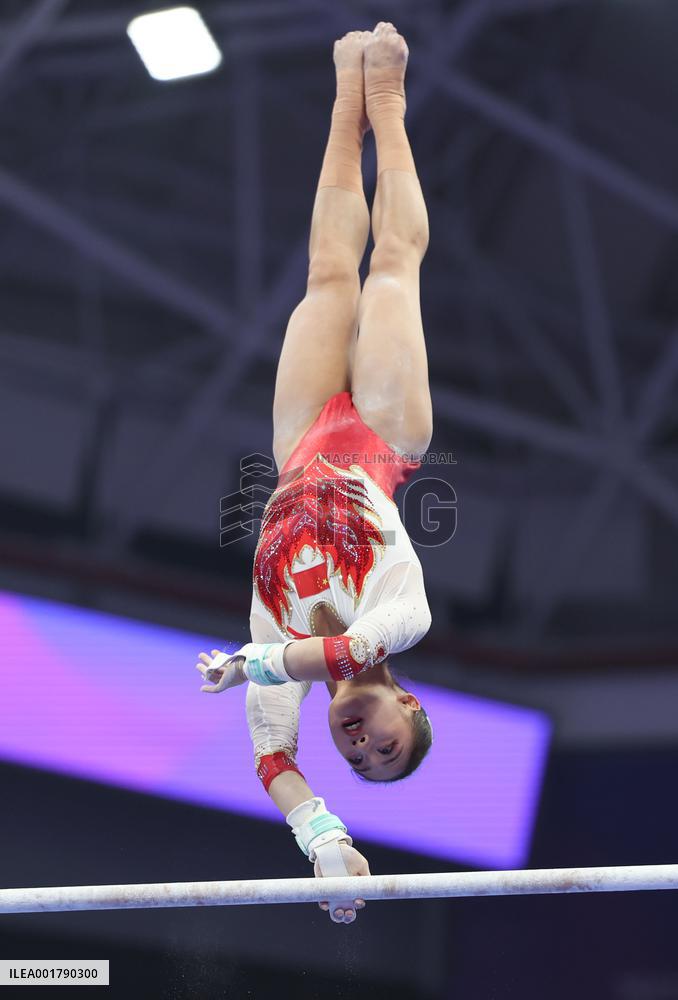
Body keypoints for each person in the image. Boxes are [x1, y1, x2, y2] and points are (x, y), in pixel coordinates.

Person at [196, 23, 433, 925]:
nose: (364, 748)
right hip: (383, 438)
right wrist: (261, 662)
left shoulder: (278, 675)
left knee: (330, 270)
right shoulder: (395, 629)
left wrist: (323, 837)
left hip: (300, 448)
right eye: (390, 744)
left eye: (361, 763)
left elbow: (268, 757)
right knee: (389, 275)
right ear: (405, 701)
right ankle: (388, 100)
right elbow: (350, 646)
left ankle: (345, 99)